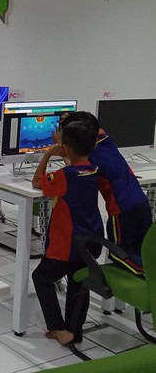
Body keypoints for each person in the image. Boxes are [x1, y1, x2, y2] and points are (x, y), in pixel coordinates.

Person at [31, 120, 103, 346]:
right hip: (89, 240)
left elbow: (37, 181)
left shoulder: (64, 176)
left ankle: (58, 328)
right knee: (78, 282)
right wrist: (66, 152)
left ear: (66, 148)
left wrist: (48, 154)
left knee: (41, 278)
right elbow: (74, 169)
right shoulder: (93, 169)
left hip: (67, 244)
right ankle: (74, 332)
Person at [59, 111, 152, 274]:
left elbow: (74, 170)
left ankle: (148, 275)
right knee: (144, 250)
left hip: (121, 208)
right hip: (141, 201)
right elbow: (97, 128)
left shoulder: (87, 153)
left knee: (120, 253)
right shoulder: (107, 141)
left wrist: (60, 144)